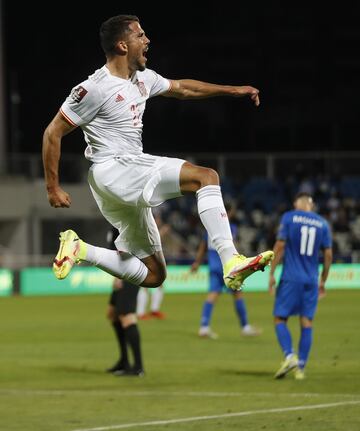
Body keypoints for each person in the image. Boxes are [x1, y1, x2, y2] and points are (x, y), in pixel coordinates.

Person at [43, 14, 273, 294]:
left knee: (154, 275)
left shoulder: (143, 79)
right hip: (114, 168)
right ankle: (231, 260)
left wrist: (232, 90)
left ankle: (80, 249)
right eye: (140, 35)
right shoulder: (94, 88)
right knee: (205, 177)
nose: (147, 40)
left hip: (119, 179)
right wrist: (53, 187)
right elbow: (52, 132)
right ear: (122, 45)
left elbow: (183, 88)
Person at [268, 192, 333, 380]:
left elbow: (280, 247)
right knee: (306, 322)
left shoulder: (289, 217)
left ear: (298, 202)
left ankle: (289, 356)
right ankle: (300, 368)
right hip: (311, 279)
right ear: (311, 205)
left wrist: (271, 273)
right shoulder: (322, 223)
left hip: (291, 277)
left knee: (280, 319)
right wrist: (323, 280)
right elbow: (328, 255)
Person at [191, 203, 262, 339]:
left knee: (212, 295)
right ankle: (245, 327)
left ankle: (204, 327)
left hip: (214, 266)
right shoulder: (230, 227)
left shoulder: (210, 227)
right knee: (238, 294)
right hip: (228, 266)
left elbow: (202, 246)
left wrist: (197, 262)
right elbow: (233, 245)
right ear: (229, 212)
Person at [106, 227, 144, 376]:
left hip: (129, 272)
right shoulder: (112, 219)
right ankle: (124, 361)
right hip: (120, 272)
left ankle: (138, 367)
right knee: (113, 315)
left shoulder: (121, 220)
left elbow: (127, 247)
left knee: (126, 316)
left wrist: (119, 276)